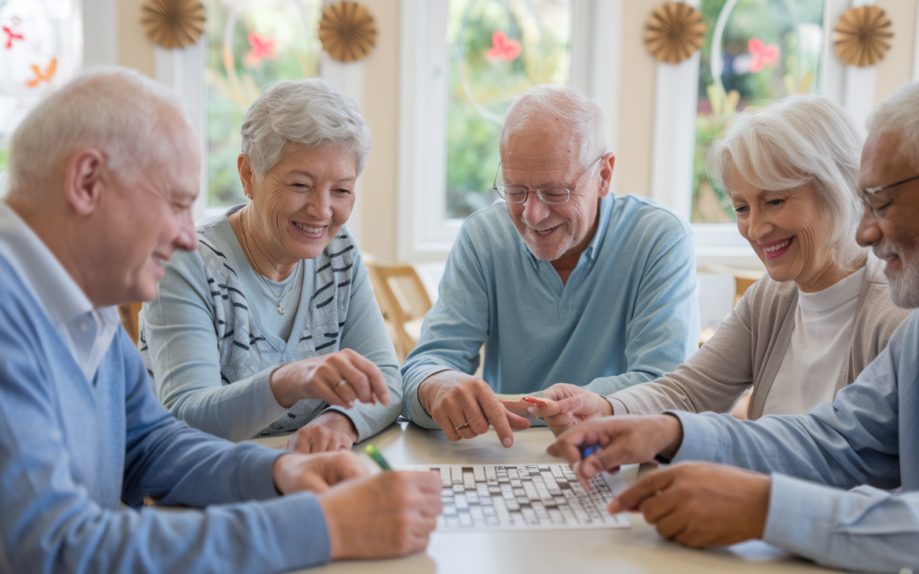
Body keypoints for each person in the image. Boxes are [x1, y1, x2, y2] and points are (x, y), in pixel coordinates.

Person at [548, 76, 919, 573]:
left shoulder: (906, 311)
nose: (864, 231)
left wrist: (764, 507)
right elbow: (837, 441)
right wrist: (671, 433)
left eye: (880, 205)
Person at [0, 66, 440, 572]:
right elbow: (56, 548)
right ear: (87, 182)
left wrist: (282, 472)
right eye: (177, 203)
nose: (190, 236)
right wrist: (326, 526)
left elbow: (149, 444)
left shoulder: (84, 305)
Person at [520, 95, 910, 432]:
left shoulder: (896, 316)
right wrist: (603, 408)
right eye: (742, 207)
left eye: (775, 201)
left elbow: (857, 458)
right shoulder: (770, 298)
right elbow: (688, 391)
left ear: (838, 189)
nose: (755, 228)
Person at [400, 85, 700, 448]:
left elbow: (668, 388)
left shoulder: (658, 237)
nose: (532, 214)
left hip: (615, 451)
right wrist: (436, 384)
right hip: (505, 452)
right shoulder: (483, 237)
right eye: (515, 190)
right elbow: (423, 368)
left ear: (603, 176)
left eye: (555, 192)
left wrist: (579, 406)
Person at [138, 78, 401, 453]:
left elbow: (387, 381)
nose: (322, 210)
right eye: (300, 184)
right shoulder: (187, 262)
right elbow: (186, 416)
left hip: (306, 478)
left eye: (341, 190)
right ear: (248, 175)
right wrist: (289, 380)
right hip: (203, 493)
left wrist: (339, 421)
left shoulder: (338, 254)